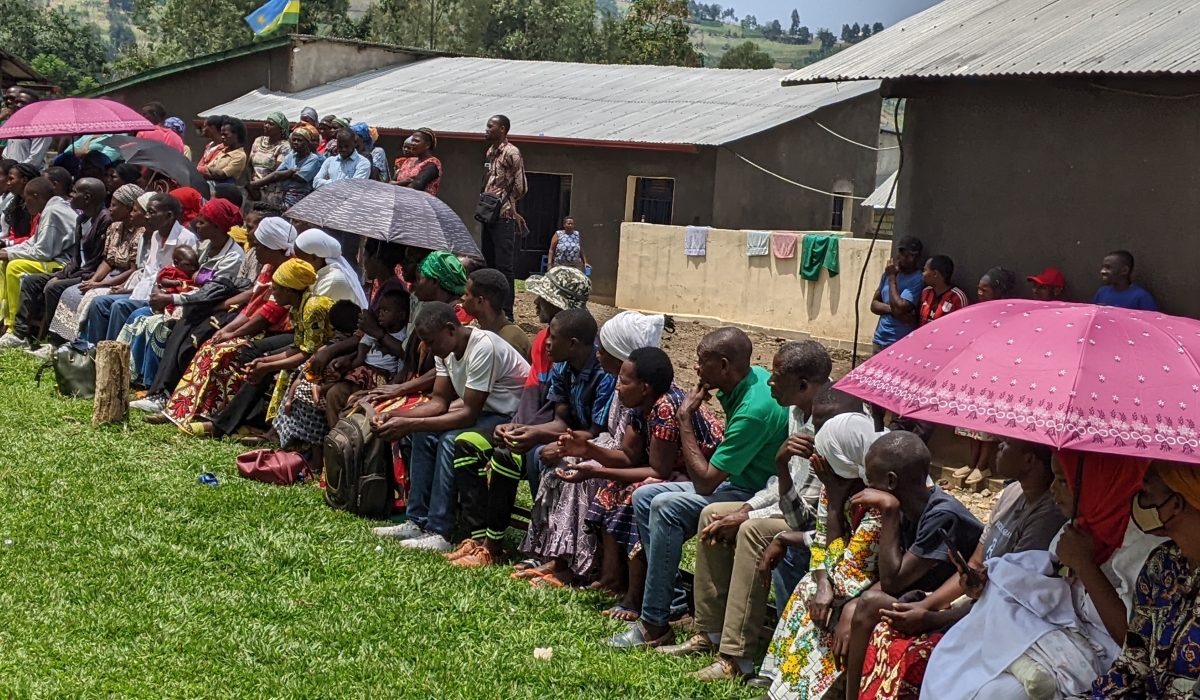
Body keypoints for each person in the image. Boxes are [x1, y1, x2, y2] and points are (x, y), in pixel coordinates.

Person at [922, 452, 1163, 700]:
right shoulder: (1077, 528)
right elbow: (1053, 576)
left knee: (996, 694)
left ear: (1097, 484)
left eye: (1061, 480)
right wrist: (989, 580)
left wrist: (1086, 565)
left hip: (1103, 654)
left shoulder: (1145, 551)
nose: (1052, 488)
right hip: (1059, 629)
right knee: (953, 663)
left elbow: (1135, 639)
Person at [608, 327, 790, 649]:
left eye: (701, 361)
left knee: (664, 506)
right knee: (644, 495)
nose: (694, 368)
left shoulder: (754, 411)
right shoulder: (750, 378)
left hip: (754, 494)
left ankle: (653, 624)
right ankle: (675, 605)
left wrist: (684, 419)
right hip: (736, 482)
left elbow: (706, 481)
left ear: (723, 365)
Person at [668, 341, 836, 682]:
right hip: (792, 503)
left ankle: (736, 656)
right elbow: (782, 483)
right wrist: (747, 507)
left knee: (752, 531)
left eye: (776, 376)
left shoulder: (830, 425)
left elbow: (806, 512)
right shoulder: (797, 410)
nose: (769, 382)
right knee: (713, 515)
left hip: (817, 522)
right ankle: (709, 632)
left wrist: (749, 517)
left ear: (803, 384)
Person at [855, 438, 1067, 699]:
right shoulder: (1012, 494)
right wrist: (929, 604)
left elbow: (1010, 601)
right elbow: (975, 565)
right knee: (880, 615)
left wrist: (932, 618)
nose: (998, 446)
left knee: (913, 655)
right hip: (974, 604)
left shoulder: (1047, 518)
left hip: (1000, 618)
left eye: (1008, 444)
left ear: (1029, 460)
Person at [440, 308, 601, 570]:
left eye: (553, 337)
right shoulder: (562, 367)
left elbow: (597, 432)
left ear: (572, 344)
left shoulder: (601, 373)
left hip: (588, 443)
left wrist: (534, 433)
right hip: (559, 434)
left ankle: (497, 547)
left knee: (514, 455)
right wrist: (517, 428)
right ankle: (478, 537)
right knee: (466, 443)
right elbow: (559, 419)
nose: (545, 341)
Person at [371, 302, 530, 552]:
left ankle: (439, 531)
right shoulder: (443, 349)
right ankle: (416, 520)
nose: (430, 349)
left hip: (512, 417)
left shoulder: (482, 347)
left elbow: (467, 415)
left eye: (433, 342)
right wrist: (395, 415)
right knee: (423, 433)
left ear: (450, 329)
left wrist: (407, 423)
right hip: (487, 412)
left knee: (450, 440)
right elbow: (439, 403)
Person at [756, 397, 888, 697]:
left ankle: (807, 688)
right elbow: (819, 543)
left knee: (832, 601)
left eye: (824, 454)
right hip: (848, 575)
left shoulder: (876, 505)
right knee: (812, 587)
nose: (816, 458)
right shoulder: (838, 485)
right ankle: (782, 679)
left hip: (870, 586)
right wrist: (822, 581)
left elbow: (850, 574)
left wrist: (828, 585)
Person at [838, 431, 985, 700]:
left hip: (962, 601)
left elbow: (894, 580)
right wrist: (851, 604)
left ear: (891, 481)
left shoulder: (941, 515)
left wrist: (889, 511)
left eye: (871, 482)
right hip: (930, 592)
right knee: (861, 603)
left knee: (870, 603)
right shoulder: (912, 507)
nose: (867, 489)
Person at [147, 217, 298, 419]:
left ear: (273, 248)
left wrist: (233, 333)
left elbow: (267, 315)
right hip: (256, 325)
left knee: (224, 352)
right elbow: (252, 305)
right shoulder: (268, 268)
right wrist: (226, 330)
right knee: (210, 345)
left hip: (274, 331)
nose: (254, 250)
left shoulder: (288, 272)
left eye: (259, 246)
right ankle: (179, 408)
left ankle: (209, 412)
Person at [177, 256, 334, 439]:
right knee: (258, 359)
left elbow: (307, 354)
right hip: (312, 352)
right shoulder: (296, 307)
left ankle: (227, 425)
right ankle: (242, 421)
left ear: (289, 291)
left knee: (272, 370)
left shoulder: (311, 309)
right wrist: (263, 360)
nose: (273, 295)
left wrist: (266, 366)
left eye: (275, 290)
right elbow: (298, 347)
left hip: (328, 355)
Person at [1086, 461, 1200, 698]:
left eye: (1146, 491)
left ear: (1175, 504)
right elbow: (1132, 667)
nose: (1138, 499)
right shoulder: (1162, 565)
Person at [119, 198, 246, 386]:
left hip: (204, 308)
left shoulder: (233, 257)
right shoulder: (204, 247)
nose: (197, 225)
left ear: (217, 226)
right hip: (182, 299)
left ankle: (152, 383)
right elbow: (174, 270)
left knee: (157, 325)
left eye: (202, 222)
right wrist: (160, 288)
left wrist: (170, 297)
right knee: (137, 315)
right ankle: (127, 372)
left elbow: (211, 292)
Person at [10, 177, 110, 353]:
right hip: (77, 270)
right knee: (32, 282)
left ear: (87, 197)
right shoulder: (82, 220)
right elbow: (76, 258)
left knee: (56, 288)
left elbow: (98, 260)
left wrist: (66, 278)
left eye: (74, 192)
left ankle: (55, 343)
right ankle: (20, 334)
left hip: (93, 274)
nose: (70, 197)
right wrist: (61, 274)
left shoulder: (105, 221)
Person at [84, 192, 198, 345]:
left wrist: (155, 294)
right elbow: (149, 272)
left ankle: (115, 355)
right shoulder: (156, 236)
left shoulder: (186, 239)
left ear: (169, 215)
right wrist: (130, 289)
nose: (147, 217)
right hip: (143, 292)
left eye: (152, 213)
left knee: (119, 306)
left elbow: (181, 279)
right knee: (99, 303)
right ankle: (92, 350)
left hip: (162, 299)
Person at [269, 299, 363, 468]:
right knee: (316, 436)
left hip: (306, 392)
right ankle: (316, 460)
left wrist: (290, 399)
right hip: (316, 394)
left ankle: (310, 456)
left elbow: (302, 375)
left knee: (312, 433)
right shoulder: (350, 347)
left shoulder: (329, 347)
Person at [47, 184, 145, 344]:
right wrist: (95, 281)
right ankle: (62, 342)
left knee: (89, 297)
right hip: (110, 275)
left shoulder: (140, 233)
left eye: (114, 205)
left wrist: (101, 284)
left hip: (125, 280)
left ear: (128, 209)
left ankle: (83, 343)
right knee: (71, 292)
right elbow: (107, 261)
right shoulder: (114, 228)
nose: (110, 209)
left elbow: (133, 270)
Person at [950, 266, 1017, 486]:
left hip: (995, 371)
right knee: (971, 418)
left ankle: (983, 465)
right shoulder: (979, 310)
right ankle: (971, 461)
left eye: (985, 289)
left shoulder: (1009, 313)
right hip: (976, 368)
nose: (979, 293)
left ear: (998, 291)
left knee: (987, 421)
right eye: (978, 289)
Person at [0, 177, 77, 346]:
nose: (24, 204)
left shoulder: (53, 211)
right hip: (52, 258)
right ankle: (4, 320)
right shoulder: (49, 209)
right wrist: (7, 251)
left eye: (26, 199)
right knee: (4, 262)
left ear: (35, 195)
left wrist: (10, 255)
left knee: (14, 267)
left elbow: (42, 252)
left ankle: (15, 330)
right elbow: (33, 242)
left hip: (64, 264)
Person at [480, 115, 527, 320]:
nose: (487, 129)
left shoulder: (512, 152)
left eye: (491, 126)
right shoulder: (491, 152)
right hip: (488, 214)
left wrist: (508, 204)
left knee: (504, 266)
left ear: (503, 129)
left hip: (504, 215)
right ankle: (490, 308)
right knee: (488, 262)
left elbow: (521, 186)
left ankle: (506, 312)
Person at [461, 268, 530, 361]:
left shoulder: (507, 340)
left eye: (466, 294)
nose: (462, 298)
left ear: (480, 301)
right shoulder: (486, 330)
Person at [870, 236, 925, 353]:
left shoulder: (917, 279)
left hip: (899, 341)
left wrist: (891, 279)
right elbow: (874, 305)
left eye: (910, 255)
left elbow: (900, 307)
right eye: (902, 253)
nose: (904, 258)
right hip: (880, 338)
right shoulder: (888, 274)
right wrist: (893, 310)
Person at [249, 128, 324, 208]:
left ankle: (255, 184)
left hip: (300, 196)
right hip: (283, 194)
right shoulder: (291, 156)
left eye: (299, 140)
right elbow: (278, 173)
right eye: (294, 140)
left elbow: (300, 178)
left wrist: (284, 174)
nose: (295, 142)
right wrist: (291, 171)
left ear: (307, 142)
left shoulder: (313, 159)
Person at [294, 228, 367, 307]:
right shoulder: (319, 272)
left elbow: (311, 311)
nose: (298, 264)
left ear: (314, 258)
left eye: (300, 259)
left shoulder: (332, 280)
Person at [1092, 250, 1157, 311]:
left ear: (1124, 270)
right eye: (1102, 267)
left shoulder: (1141, 297)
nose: (1102, 271)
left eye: (1108, 267)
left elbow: (1151, 321)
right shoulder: (1102, 292)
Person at [248, 113, 291, 204]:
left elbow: (278, 172)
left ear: (280, 129)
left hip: (271, 190)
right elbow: (249, 165)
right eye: (266, 123)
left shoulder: (284, 146)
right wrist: (249, 186)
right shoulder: (258, 141)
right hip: (252, 189)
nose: (266, 126)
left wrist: (256, 185)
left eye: (271, 124)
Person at [2, 89, 50, 167]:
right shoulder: (14, 124)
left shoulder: (40, 128)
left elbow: (34, 160)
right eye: (17, 102)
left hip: (28, 175)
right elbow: (7, 152)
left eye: (23, 102)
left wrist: (17, 171)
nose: (18, 105)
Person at [917, 254, 967, 326]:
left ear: (935, 273)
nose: (923, 274)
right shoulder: (926, 292)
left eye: (924, 270)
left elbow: (963, 325)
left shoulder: (957, 297)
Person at [197, 118, 248, 185]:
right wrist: (210, 170)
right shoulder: (223, 151)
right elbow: (206, 169)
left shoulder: (240, 155)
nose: (222, 137)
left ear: (236, 135)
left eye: (225, 134)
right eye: (221, 135)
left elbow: (221, 174)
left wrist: (211, 170)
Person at [392, 128, 441, 194]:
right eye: (412, 141)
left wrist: (396, 184)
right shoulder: (408, 161)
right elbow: (391, 182)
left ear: (427, 145)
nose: (412, 143)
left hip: (419, 203)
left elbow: (417, 186)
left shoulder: (432, 164)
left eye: (416, 141)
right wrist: (402, 183)